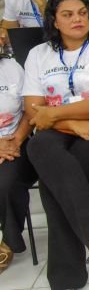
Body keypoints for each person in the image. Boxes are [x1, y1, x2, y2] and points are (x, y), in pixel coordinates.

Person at [23, 0, 89, 289]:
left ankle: (66, 277)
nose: (77, 19)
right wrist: (71, 121)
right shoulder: (38, 55)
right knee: (40, 144)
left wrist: (54, 114)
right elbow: (33, 109)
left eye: (83, 13)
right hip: (60, 131)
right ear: (54, 21)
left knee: (53, 179)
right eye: (67, 14)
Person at [0, 56, 36, 275]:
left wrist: (16, 141)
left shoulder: (12, 67)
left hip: (15, 143)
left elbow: (30, 110)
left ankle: (8, 240)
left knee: (7, 182)